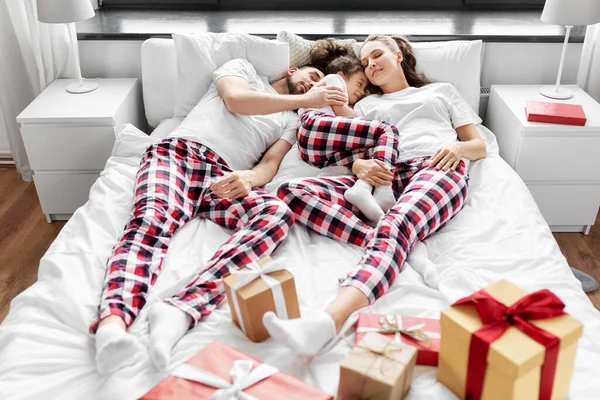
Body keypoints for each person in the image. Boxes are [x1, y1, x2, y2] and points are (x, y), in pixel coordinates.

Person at [90, 58, 347, 375]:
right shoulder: (246, 70)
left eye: (320, 84)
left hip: (222, 177)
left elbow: (269, 164)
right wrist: (308, 99)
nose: (314, 84)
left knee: (276, 214)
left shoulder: (292, 121)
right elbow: (236, 100)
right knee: (151, 224)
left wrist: (249, 179)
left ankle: (181, 309)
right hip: (178, 154)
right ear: (294, 70)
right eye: (314, 76)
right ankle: (113, 324)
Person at [264, 34, 487, 356]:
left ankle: (328, 321)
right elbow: (354, 144)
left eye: (377, 55)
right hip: (385, 177)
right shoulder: (365, 105)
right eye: (366, 63)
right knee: (291, 191)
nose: (371, 65)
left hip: (437, 165)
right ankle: (396, 244)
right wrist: (359, 166)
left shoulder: (441, 91)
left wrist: (455, 146)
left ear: (398, 55)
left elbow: (478, 145)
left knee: (395, 224)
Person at [296, 39, 400, 221]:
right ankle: (383, 188)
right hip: (314, 126)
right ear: (342, 75)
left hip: (315, 152)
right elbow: (344, 113)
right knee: (386, 130)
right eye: (360, 84)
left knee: (370, 152)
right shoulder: (333, 81)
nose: (362, 91)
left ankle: (363, 190)